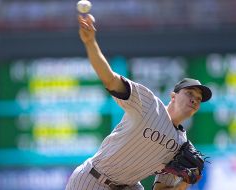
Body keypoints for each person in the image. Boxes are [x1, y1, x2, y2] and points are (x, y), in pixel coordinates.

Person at [65, 14, 212, 190]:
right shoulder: (149, 104)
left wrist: (184, 183)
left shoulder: (182, 146)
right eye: (189, 93)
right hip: (93, 180)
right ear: (173, 96)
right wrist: (90, 43)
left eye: (198, 99)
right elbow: (110, 80)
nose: (194, 100)